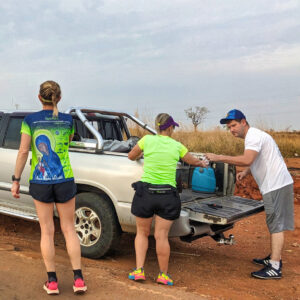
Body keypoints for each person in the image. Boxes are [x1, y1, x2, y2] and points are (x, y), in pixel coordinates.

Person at [11, 81, 87, 295]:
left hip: (40, 183)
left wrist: (16, 179)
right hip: (64, 180)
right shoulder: (68, 120)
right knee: (69, 229)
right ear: (59, 98)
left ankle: (52, 282)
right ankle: (79, 279)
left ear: (39, 97)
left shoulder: (30, 121)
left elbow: (23, 152)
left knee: (47, 230)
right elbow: (69, 141)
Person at [206, 109, 294, 280]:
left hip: (276, 185)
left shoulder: (253, 136)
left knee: (276, 225)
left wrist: (218, 157)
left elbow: (247, 158)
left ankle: (275, 267)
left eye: (234, 125)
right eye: (229, 127)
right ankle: (274, 258)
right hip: (277, 184)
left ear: (243, 122)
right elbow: (256, 159)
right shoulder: (255, 135)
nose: (232, 130)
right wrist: (246, 171)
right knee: (273, 223)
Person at [127, 113, 208, 286]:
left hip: (146, 193)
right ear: (170, 128)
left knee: (142, 233)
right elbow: (192, 160)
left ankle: (139, 271)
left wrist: (142, 156)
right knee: (161, 236)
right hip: (167, 196)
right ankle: (163, 275)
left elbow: (131, 156)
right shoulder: (177, 145)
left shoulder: (146, 140)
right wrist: (202, 163)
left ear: (157, 127)